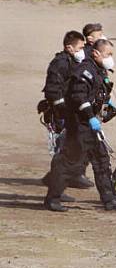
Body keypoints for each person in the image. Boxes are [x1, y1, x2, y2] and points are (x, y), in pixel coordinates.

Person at [44, 39, 116, 212]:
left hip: (89, 126)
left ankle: (110, 200)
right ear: (96, 54)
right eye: (108, 54)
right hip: (79, 125)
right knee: (70, 162)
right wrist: (91, 118)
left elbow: (96, 95)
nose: (111, 58)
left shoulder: (98, 71)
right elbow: (78, 97)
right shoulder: (85, 71)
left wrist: (106, 107)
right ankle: (52, 198)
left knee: (102, 161)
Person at [39, 30, 92, 194]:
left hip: (70, 114)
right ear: (69, 47)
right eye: (80, 47)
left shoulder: (73, 62)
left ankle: (59, 180)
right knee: (64, 151)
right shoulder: (60, 63)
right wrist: (62, 112)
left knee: (71, 148)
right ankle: (55, 188)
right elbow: (52, 90)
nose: (82, 51)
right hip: (60, 114)